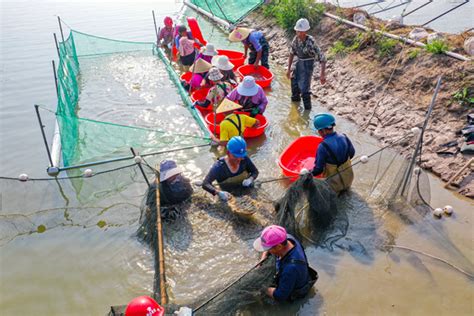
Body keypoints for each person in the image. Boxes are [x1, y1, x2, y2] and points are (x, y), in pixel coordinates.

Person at [254, 225, 317, 302]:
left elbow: (280, 296)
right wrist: (263, 258)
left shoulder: (289, 269)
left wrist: (263, 288)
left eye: (268, 249)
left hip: (295, 290)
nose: (266, 250)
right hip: (296, 274)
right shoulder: (288, 238)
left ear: (279, 247)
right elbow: (269, 245)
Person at [309, 113, 355, 193]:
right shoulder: (344, 136)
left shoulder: (322, 146)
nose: (319, 133)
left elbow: (318, 169)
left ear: (322, 131)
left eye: (318, 131)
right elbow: (352, 153)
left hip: (334, 184)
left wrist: (308, 174)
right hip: (348, 177)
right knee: (347, 192)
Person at [202, 136, 259, 201]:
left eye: (241, 156)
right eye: (235, 156)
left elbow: (255, 171)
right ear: (228, 153)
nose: (239, 159)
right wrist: (218, 192)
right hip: (228, 195)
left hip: (245, 189)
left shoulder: (245, 159)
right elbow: (205, 183)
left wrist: (250, 179)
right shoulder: (219, 167)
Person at [287, 18, 327, 110]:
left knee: (305, 91)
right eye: (298, 31)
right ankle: (295, 109)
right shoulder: (296, 39)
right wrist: (289, 69)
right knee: (294, 86)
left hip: (307, 66)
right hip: (298, 64)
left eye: (302, 32)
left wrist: (322, 74)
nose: (300, 34)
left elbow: (322, 57)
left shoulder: (311, 41)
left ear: (306, 31)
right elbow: (291, 53)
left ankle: (307, 112)